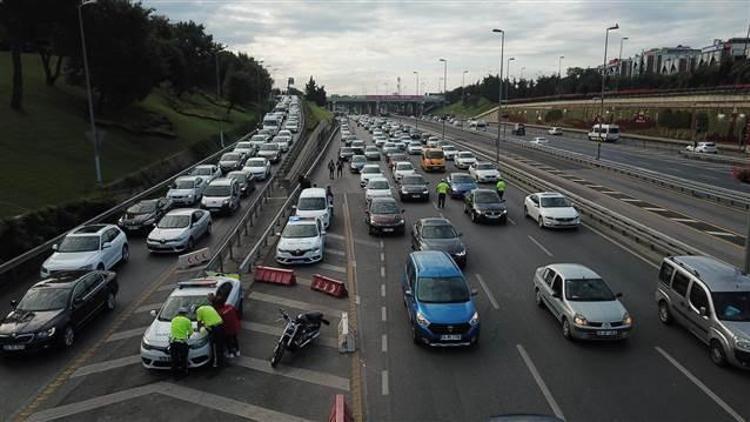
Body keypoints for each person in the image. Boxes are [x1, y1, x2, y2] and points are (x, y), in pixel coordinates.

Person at [196, 294, 225, 368]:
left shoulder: (199, 311)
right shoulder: (209, 307)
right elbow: (209, 318)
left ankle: (216, 363)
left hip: (215, 328)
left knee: (215, 346)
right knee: (220, 344)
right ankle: (222, 359)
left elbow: (199, 322)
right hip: (221, 325)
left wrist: (198, 330)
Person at [169, 307, 192, 376]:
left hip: (173, 342)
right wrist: (188, 335)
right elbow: (191, 332)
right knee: (183, 358)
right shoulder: (187, 320)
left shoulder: (173, 320)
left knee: (174, 359)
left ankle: (174, 373)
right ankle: (184, 373)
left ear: (178, 313)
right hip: (182, 343)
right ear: (185, 314)